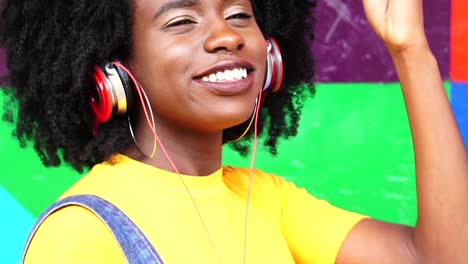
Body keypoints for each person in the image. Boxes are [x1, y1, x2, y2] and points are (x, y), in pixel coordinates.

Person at [1, 0, 467, 263]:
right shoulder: (81, 233)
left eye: (240, 15)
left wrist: (411, 51)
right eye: (182, 21)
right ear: (113, 71)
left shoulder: (267, 201)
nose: (227, 36)